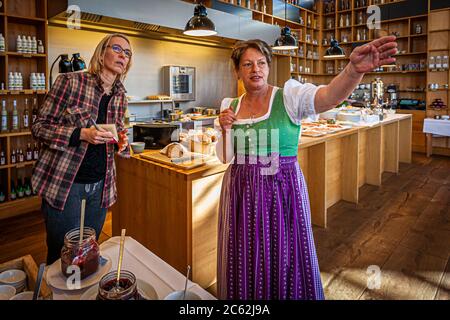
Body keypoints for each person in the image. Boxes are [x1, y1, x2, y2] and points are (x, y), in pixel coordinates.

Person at [216, 36, 397, 299]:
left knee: (285, 255)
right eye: (247, 65)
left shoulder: (288, 96)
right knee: (246, 253)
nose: (256, 69)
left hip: (281, 189)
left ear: (268, 66)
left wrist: (352, 71)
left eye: (261, 63)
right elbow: (224, 157)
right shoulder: (228, 106)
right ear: (237, 71)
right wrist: (225, 129)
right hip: (240, 191)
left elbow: (327, 97)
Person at [32, 33, 133, 264]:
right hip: (66, 186)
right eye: (117, 48)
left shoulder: (121, 97)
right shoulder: (70, 82)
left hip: (101, 187)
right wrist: (81, 134)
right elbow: (39, 127)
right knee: (61, 256)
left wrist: (121, 141)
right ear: (101, 52)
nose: (122, 55)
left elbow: (117, 133)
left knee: (88, 252)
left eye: (127, 53)